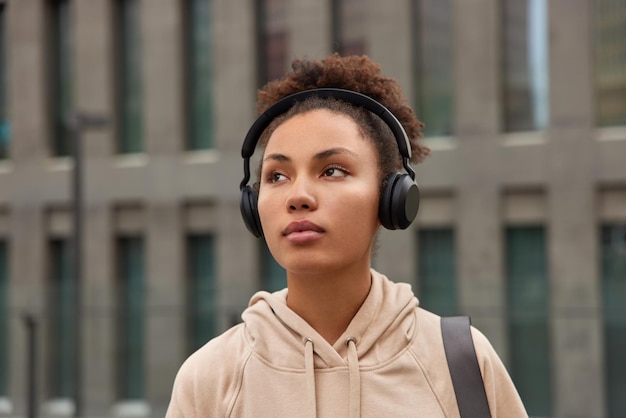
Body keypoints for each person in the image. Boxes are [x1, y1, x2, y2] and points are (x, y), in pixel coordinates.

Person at [166, 54, 527, 417]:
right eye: (277, 176)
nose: (298, 197)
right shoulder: (209, 379)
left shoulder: (462, 364)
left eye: (332, 171)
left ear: (391, 199)